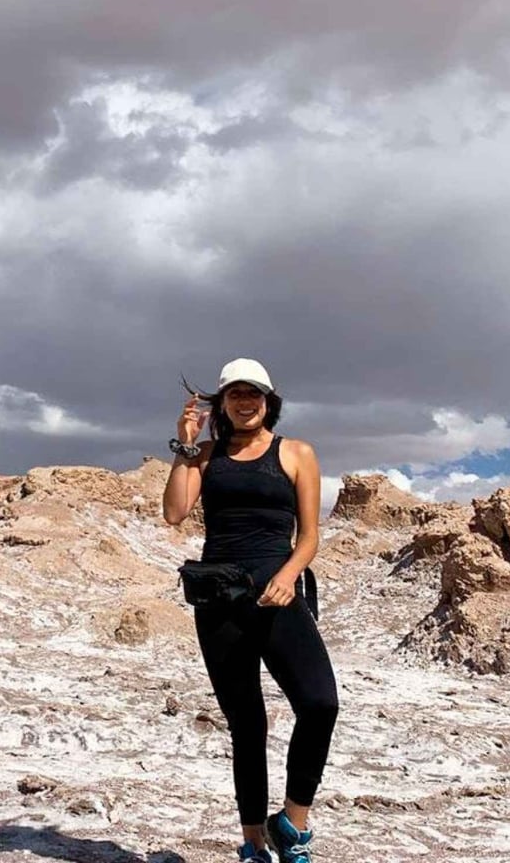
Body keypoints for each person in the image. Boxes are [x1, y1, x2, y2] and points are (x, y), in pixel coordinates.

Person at [162, 358, 339, 862]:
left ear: (268, 401)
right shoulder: (207, 455)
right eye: (235, 394)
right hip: (219, 601)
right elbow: (174, 513)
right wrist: (185, 447)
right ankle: (254, 843)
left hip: (277, 595)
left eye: (254, 394)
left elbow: (308, 538)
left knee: (320, 702)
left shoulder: (297, 453)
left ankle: (292, 823)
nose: (245, 402)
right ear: (222, 403)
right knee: (247, 723)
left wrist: (286, 579)